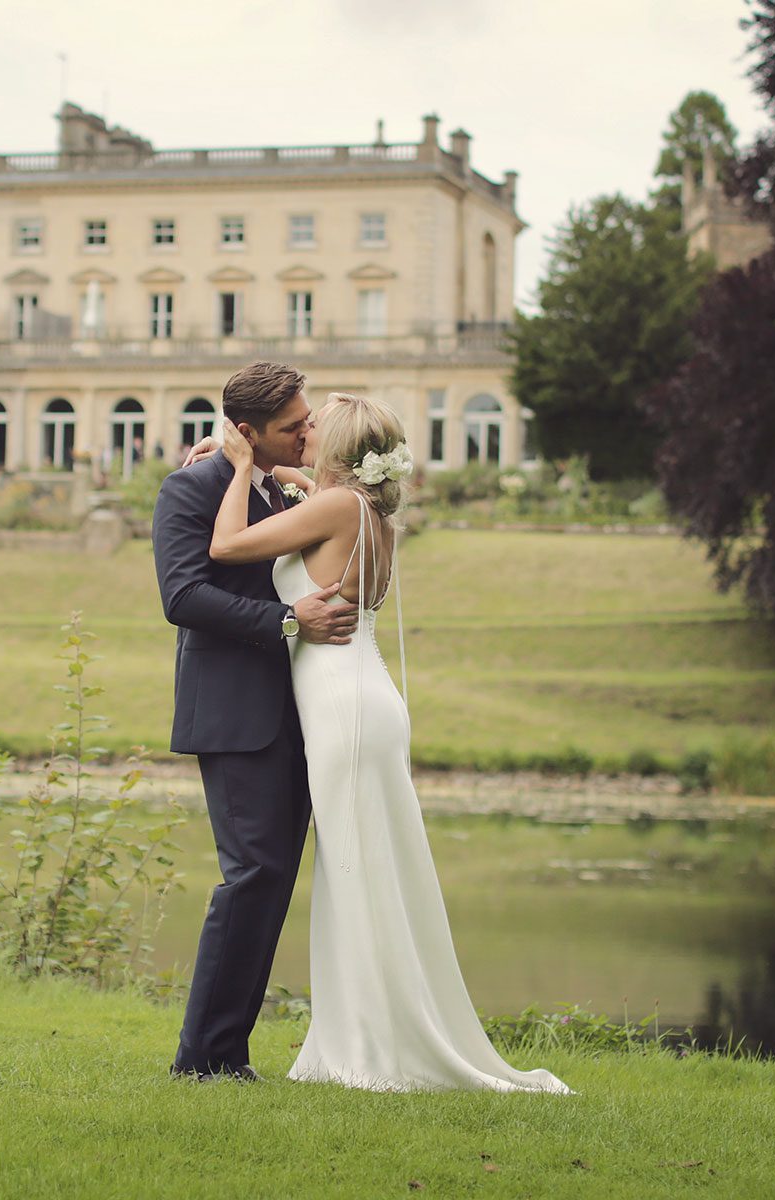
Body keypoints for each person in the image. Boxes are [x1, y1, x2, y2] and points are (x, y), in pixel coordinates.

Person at [190, 386, 571, 1095]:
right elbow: (313, 497)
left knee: (357, 872)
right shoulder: (365, 510)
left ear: (337, 449)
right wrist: (279, 475)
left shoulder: (338, 508)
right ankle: (368, 1032)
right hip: (365, 695)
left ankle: (378, 1047)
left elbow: (226, 545)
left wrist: (241, 465)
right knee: (360, 870)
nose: (303, 434)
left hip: (343, 707)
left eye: (314, 428)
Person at [152, 361, 356, 1081]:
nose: (308, 432)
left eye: (307, 420)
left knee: (270, 881)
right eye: (292, 427)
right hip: (236, 714)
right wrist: (287, 621)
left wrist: (298, 480)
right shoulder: (193, 486)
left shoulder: (276, 488)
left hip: (295, 711)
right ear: (247, 433)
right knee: (251, 878)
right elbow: (182, 595)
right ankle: (199, 1060)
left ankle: (226, 1056)